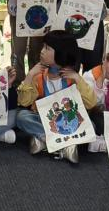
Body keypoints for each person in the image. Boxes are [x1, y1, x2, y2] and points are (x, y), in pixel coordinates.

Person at [16, 30, 97, 164]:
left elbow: (91, 103)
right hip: (45, 120)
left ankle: (43, 140)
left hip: (68, 123)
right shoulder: (39, 76)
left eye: (47, 48)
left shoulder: (72, 77)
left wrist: (78, 79)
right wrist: (30, 76)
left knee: (91, 125)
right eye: (43, 46)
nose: (42, 51)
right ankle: (65, 145)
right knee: (21, 117)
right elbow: (24, 102)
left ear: (61, 53)